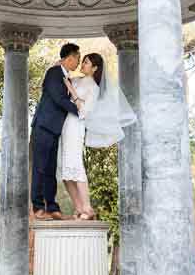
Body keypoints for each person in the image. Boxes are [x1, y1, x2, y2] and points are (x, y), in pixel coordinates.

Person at [61, 53, 137, 220]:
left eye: (86, 62)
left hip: (77, 126)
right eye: (83, 61)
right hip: (66, 125)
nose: (83, 64)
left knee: (75, 164)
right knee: (64, 171)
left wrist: (72, 90)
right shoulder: (76, 80)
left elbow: (85, 111)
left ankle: (87, 208)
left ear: (95, 68)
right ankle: (79, 208)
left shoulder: (94, 88)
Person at [31, 43, 83, 219]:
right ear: (69, 58)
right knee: (40, 168)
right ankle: (38, 207)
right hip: (44, 126)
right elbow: (59, 99)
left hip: (54, 130)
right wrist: (81, 110)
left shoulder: (65, 76)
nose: (78, 63)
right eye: (77, 59)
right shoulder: (54, 73)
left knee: (50, 170)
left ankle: (52, 207)